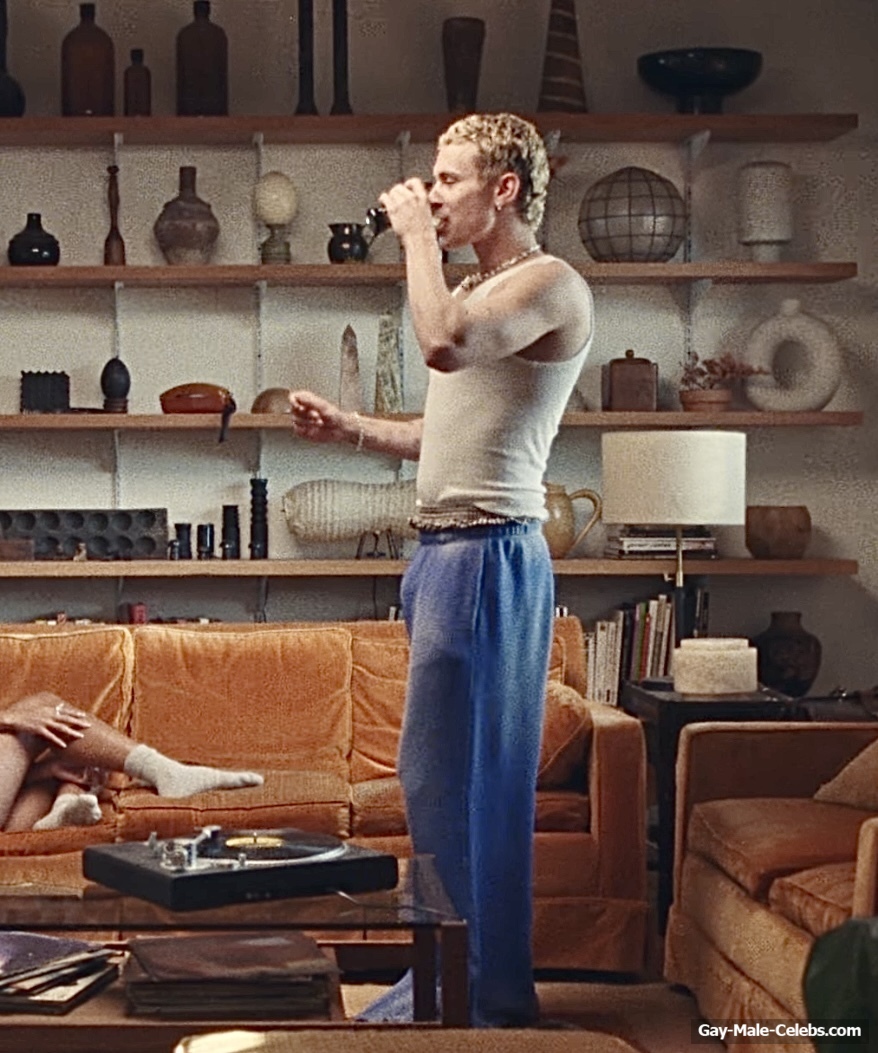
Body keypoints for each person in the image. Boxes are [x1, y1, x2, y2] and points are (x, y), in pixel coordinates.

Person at [289, 112, 594, 1027]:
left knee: (459, 785)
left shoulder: (548, 283)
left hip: (488, 555)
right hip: (443, 556)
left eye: (448, 179)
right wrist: (351, 429)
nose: (430, 194)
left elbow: (442, 343)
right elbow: (446, 429)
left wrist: (414, 237)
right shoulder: (480, 290)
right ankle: (451, 985)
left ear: (505, 189)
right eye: (430, 180)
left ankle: (474, 997)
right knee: (441, 786)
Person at [0, 691, 264, 833]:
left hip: (12, 820)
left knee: (74, 757)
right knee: (40, 711)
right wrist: (9, 718)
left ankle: (64, 809)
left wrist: (47, 770)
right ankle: (167, 772)